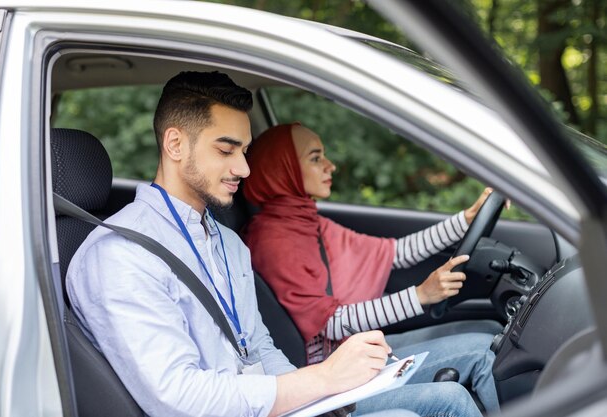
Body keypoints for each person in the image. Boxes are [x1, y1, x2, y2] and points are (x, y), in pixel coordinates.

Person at [66, 71, 483, 417]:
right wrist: (321, 379)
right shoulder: (121, 255)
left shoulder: (228, 242)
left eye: (245, 151)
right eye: (227, 150)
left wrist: (318, 400)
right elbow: (177, 397)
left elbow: (260, 347)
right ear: (175, 144)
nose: (243, 168)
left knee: (446, 400)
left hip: (275, 405)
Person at [243, 122, 502, 413]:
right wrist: (420, 296)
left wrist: (466, 220)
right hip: (327, 383)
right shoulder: (275, 240)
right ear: (282, 169)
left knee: (488, 339)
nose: (331, 166)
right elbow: (330, 322)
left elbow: (394, 253)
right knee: (459, 387)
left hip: (350, 353)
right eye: (315, 158)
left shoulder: (309, 223)